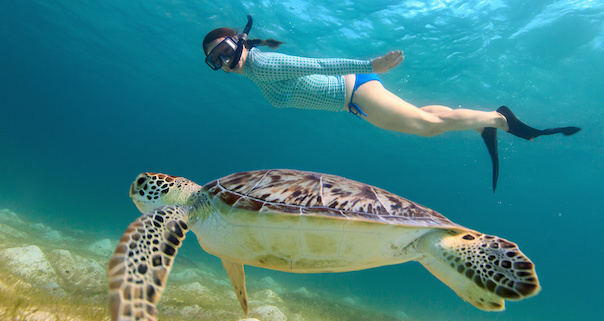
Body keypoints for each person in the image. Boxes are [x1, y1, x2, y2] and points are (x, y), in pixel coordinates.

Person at [202, 15, 580, 191]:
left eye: (222, 50)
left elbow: (316, 64)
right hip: (354, 96)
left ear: (237, 41)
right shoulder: (255, 70)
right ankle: (487, 121)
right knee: (427, 118)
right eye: (213, 61)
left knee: (427, 129)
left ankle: (499, 120)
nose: (223, 62)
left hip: (353, 92)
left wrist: (372, 64)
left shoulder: (262, 63)